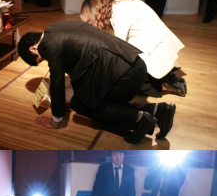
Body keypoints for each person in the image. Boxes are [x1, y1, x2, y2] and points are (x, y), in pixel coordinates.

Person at [17, 22, 176, 143]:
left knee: (80, 105)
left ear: (33, 49)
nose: (46, 60)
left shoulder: (50, 45)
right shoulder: (55, 28)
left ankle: (138, 119)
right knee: (93, 101)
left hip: (123, 76)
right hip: (136, 65)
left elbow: (57, 82)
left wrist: (55, 119)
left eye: (41, 59)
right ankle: (159, 110)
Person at [80, 0, 187, 96]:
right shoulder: (119, 3)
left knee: (124, 83)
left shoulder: (120, 12)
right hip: (157, 43)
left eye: (89, 22)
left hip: (153, 48)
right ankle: (166, 76)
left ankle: (164, 83)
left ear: (96, 14)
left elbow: (116, 48)